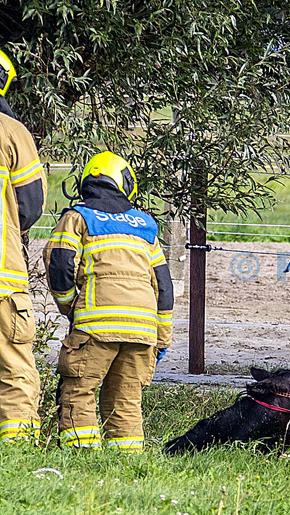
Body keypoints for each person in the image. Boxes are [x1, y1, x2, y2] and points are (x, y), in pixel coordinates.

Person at [43, 151, 173, 451]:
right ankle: (126, 460)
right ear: (126, 184)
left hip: (96, 326)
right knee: (126, 398)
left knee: (79, 391)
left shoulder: (77, 217)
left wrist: (71, 308)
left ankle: (82, 455)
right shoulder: (145, 225)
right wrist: (161, 337)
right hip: (142, 331)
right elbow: (164, 287)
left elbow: (61, 265)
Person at [0, 50, 47, 443]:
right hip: (2, 277)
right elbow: (30, 205)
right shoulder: (12, 131)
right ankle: (15, 446)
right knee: (13, 365)